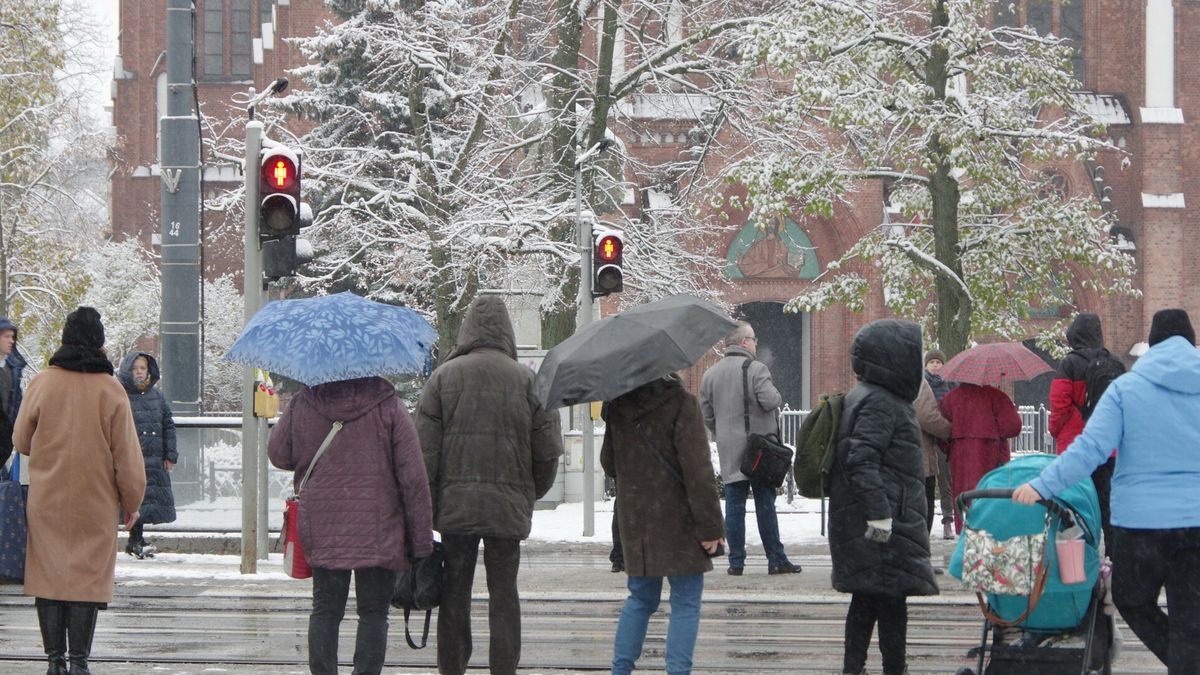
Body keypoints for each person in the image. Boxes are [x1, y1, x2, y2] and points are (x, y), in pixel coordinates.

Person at [1013, 309, 1200, 673]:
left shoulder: (1126, 390)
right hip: (1196, 522)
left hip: (1141, 526)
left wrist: (1041, 484)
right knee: (1190, 615)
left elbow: (1089, 449)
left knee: (1131, 600)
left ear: (1153, 343)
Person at [416, 295, 563, 675]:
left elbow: (424, 455)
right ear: (507, 332)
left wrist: (435, 503)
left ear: (467, 330)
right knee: (504, 594)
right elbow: (547, 454)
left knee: (454, 593)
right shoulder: (528, 381)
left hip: (455, 509)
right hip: (506, 507)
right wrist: (528, 492)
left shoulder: (443, 379)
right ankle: (504, 668)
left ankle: (452, 667)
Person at [268, 375, 433, 675]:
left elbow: (278, 453)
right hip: (379, 527)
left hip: (323, 522)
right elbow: (413, 478)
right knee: (373, 613)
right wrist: (420, 542)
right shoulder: (389, 406)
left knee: (326, 611)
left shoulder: (304, 403)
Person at [14, 307, 146, 675]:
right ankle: (79, 663)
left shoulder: (43, 382)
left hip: (48, 499)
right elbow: (128, 456)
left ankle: (54, 662)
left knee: (49, 576)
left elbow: (21, 439)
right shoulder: (111, 390)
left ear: (65, 337)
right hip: (96, 500)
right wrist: (132, 502)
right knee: (86, 579)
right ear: (100, 342)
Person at [830, 319, 939, 675]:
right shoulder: (881, 401)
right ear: (893, 358)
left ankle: (858, 668)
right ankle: (892, 668)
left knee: (871, 598)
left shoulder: (872, 395)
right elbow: (861, 460)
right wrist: (879, 517)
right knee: (889, 600)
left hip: (883, 518)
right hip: (884, 522)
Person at [600, 374, 725, 675]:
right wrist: (710, 528)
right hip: (679, 522)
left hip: (638, 521)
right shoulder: (681, 403)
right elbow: (698, 471)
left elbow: (609, 464)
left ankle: (620, 670)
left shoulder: (618, 405)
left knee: (640, 599)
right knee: (685, 602)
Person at [699, 321, 802, 576]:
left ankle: (736, 562)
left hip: (729, 448)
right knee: (765, 504)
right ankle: (776, 559)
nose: (756, 343)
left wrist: (724, 430)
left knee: (734, 505)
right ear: (744, 342)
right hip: (759, 450)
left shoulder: (710, 374)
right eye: (754, 339)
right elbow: (771, 400)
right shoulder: (757, 369)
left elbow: (707, 415)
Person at [1048, 312, 1124, 552]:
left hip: (1075, 450)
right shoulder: (1116, 363)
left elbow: (1059, 405)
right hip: (1107, 450)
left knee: (1074, 506)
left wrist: (1055, 430)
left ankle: (1078, 561)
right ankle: (1114, 557)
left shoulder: (1069, 364)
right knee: (1107, 504)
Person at [938, 379, 1022, 534]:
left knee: (963, 493)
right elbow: (1013, 427)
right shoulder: (997, 396)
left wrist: (951, 444)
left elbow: (941, 431)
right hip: (991, 454)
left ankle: (964, 529)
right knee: (989, 492)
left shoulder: (950, 398)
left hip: (960, 455)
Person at [117, 351, 177, 559]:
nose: (140, 373)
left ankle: (137, 539)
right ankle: (134, 540)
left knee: (147, 498)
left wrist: (170, 454)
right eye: (135, 369)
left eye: (143, 368)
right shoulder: (121, 394)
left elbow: (168, 424)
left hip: (154, 456)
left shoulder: (156, 395)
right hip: (132, 456)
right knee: (135, 497)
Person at [923, 350, 956, 540]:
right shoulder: (920, 384)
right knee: (928, 482)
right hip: (927, 438)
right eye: (932, 362)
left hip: (944, 438)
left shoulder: (950, 383)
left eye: (938, 362)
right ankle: (924, 522)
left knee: (946, 481)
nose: (935, 365)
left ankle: (948, 520)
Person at [914, 373, 951, 540]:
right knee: (922, 510)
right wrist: (949, 430)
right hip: (918, 457)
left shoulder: (877, 381)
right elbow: (927, 417)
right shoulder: (916, 380)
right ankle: (918, 556)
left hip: (892, 462)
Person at [0, 315, 27, 475]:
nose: (11, 340)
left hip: (4, 440)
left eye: (12, 337)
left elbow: (17, 406)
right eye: (6, 336)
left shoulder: (13, 370)